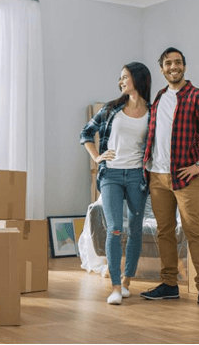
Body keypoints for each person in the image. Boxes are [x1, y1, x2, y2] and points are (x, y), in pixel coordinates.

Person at [139, 47, 199, 309]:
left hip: (185, 177)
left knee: (194, 232)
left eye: (178, 62)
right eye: (168, 63)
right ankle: (169, 284)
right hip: (157, 176)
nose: (173, 67)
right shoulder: (159, 97)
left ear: (184, 67)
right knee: (164, 232)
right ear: (162, 69)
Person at [80, 62, 152, 305]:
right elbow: (86, 133)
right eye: (120, 78)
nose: (121, 81)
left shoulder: (152, 112)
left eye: (125, 77)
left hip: (137, 177)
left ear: (138, 79)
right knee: (114, 228)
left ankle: (127, 281)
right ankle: (114, 287)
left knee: (135, 229)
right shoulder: (112, 109)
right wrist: (97, 157)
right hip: (111, 175)